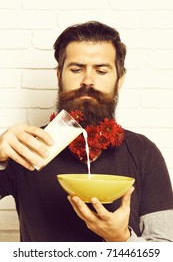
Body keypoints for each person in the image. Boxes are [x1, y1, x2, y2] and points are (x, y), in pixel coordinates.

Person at [0, 21, 173, 242]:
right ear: (58, 76)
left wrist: (121, 239)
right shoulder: (25, 147)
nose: (88, 81)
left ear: (119, 81)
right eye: (76, 69)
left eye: (101, 71)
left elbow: (164, 248)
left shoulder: (144, 152)